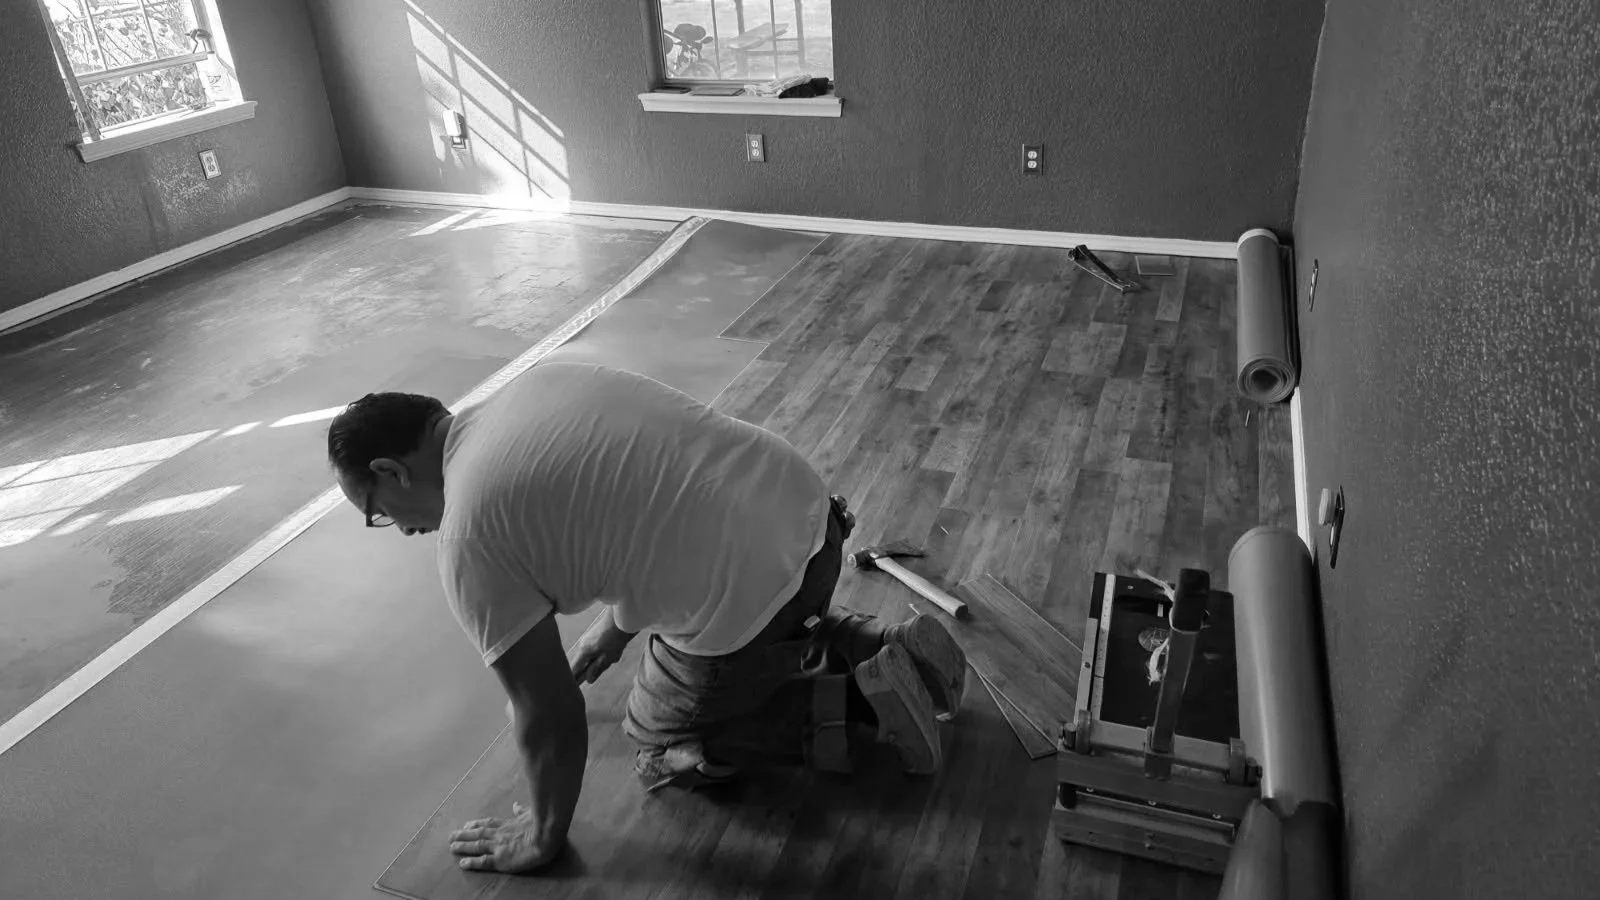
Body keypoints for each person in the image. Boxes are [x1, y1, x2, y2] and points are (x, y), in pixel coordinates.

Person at [324, 361, 967, 875]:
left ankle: (862, 701)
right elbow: (655, 498)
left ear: (390, 471)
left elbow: (548, 713)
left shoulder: (468, 537)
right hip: (813, 516)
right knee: (736, 615)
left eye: (377, 512)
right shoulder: (538, 382)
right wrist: (618, 625)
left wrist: (541, 836)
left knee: (658, 740)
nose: (399, 528)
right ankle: (877, 642)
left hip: (758, 593)